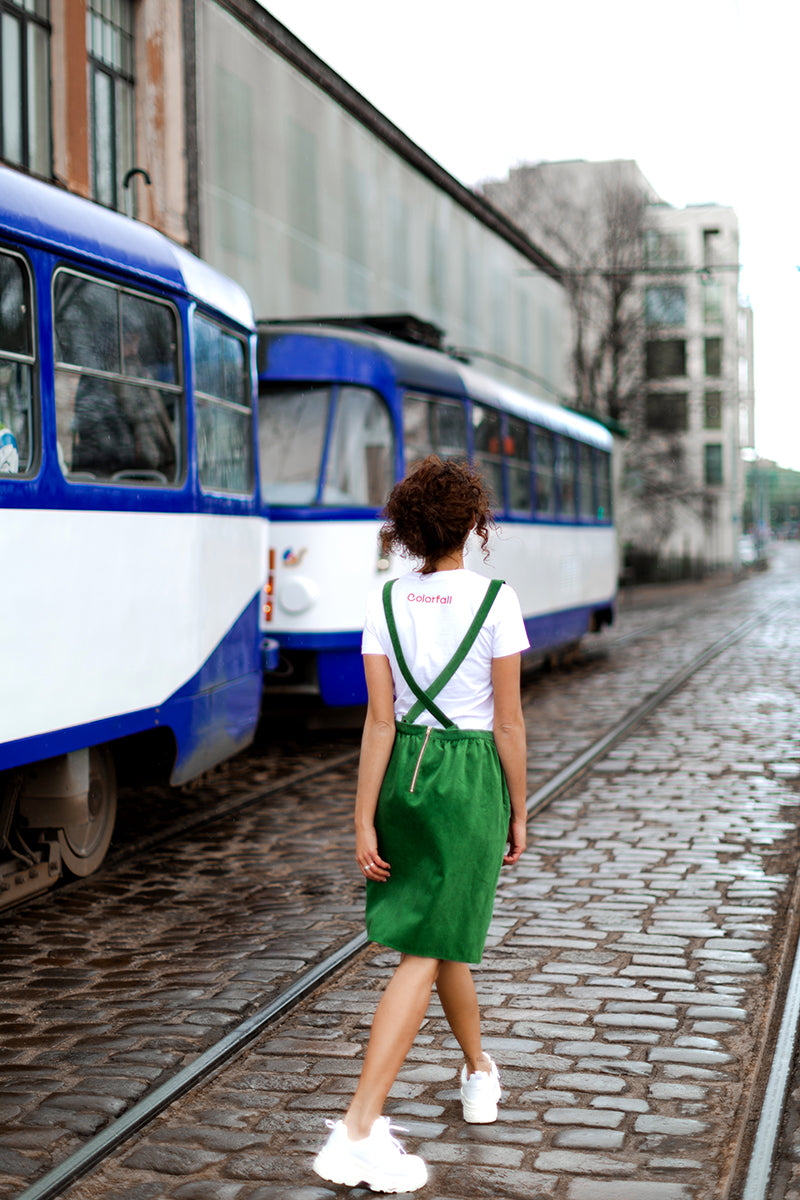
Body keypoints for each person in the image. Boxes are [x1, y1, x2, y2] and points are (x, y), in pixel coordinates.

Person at [313, 455, 529, 1194]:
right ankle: (359, 1128)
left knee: (446, 939)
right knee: (427, 949)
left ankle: (478, 1070)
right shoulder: (497, 600)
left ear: (408, 529)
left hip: (404, 773)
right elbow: (508, 724)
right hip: (467, 781)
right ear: (474, 522)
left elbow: (377, 721)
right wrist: (520, 808)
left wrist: (362, 817)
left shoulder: (385, 599)